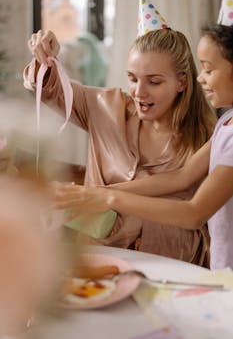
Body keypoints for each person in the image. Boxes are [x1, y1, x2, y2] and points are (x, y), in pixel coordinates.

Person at [24, 28, 216, 266]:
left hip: (170, 263)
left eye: (154, 81)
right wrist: (46, 59)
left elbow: (201, 217)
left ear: (182, 82)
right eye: (133, 78)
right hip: (96, 261)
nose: (139, 91)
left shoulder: (208, 137)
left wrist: (114, 201)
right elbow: (51, 88)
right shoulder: (105, 108)